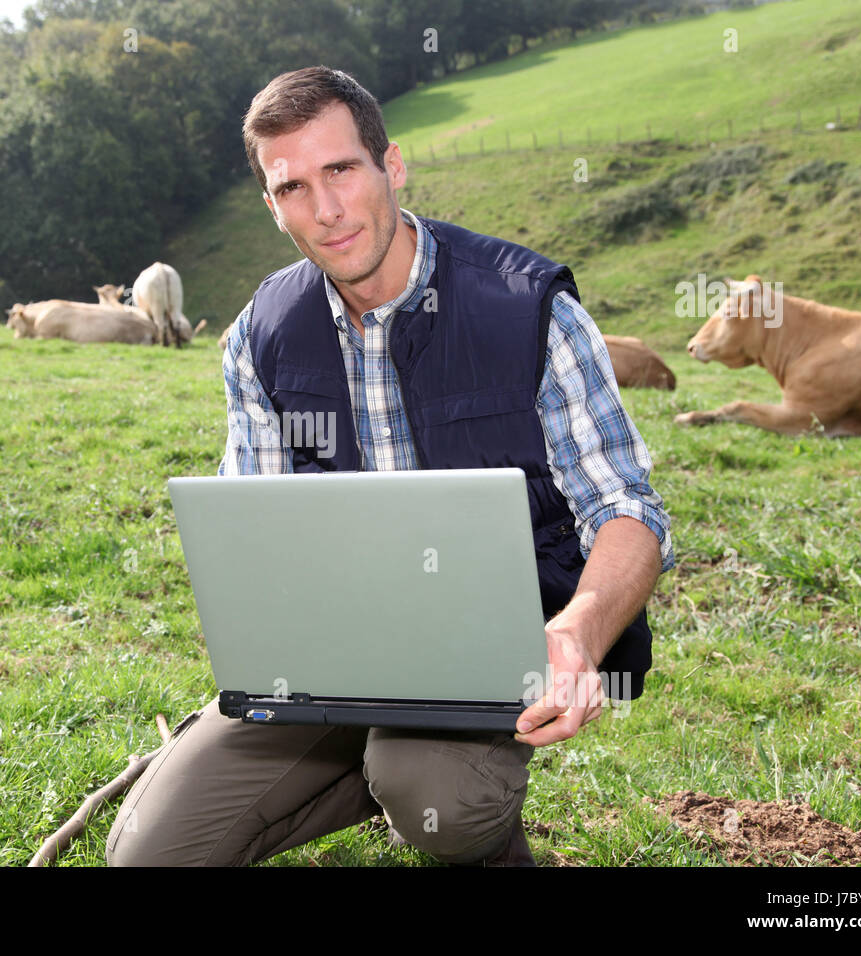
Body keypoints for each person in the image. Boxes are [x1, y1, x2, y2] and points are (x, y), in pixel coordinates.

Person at [106, 66, 675, 867]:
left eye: (341, 170)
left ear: (392, 165)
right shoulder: (260, 335)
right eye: (293, 186)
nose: (326, 209)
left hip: (498, 653)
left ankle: (464, 820)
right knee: (150, 856)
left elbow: (628, 512)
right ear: (272, 207)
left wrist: (576, 632)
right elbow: (257, 532)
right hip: (330, 659)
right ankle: (373, 762)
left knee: (433, 788)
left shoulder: (529, 309)